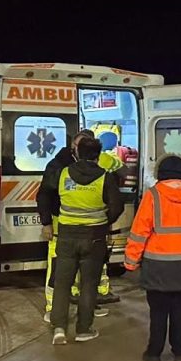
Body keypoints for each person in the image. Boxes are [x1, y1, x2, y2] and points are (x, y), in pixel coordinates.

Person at [124, 155, 181, 361]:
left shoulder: (153, 196)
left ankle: (154, 352)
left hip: (158, 266)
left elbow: (140, 231)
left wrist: (131, 260)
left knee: (158, 311)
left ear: (160, 174)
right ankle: (180, 350)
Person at [46, 136, 123, 344]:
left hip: (67, 235)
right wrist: (103, 220)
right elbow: (117, 207)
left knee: (62, 283)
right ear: (97, 156)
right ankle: (83, 330)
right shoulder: (105, 177)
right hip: (94, 237)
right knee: (89, 285)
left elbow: (46, 192)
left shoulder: (63, 174)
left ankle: (59, 328)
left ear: (77, 153)